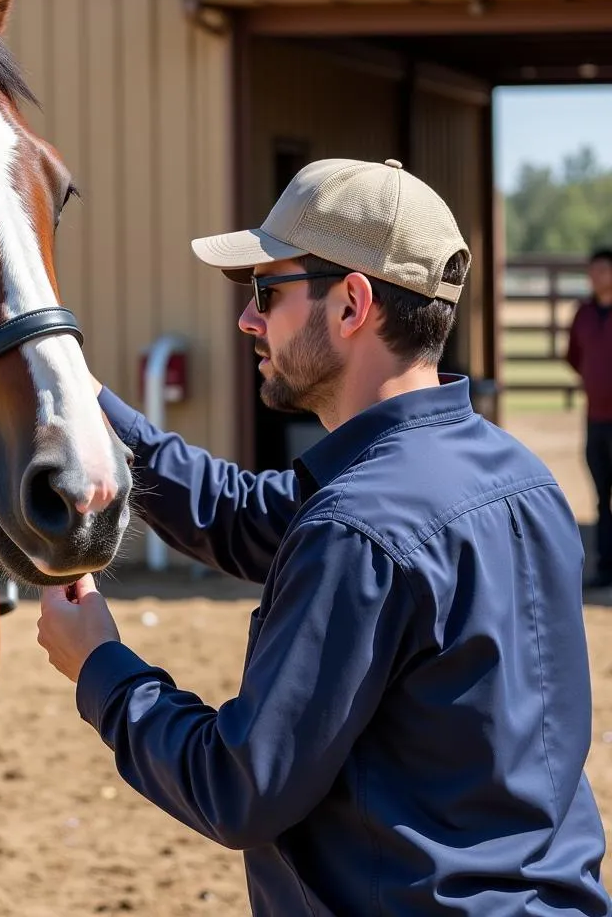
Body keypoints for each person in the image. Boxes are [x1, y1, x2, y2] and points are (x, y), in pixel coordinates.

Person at [36, 158, 610, 916]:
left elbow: (240, 789)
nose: (247, 318)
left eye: (266, 292)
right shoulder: (521, 478)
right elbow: (245, 515)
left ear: (351, 304)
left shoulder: (358, 529)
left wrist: (101, 669)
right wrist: (89, 402)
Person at [568, 247, 612, 588]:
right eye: (592, 270)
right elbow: (575, 356)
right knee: (601, 496)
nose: (596, 277)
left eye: (602, 270)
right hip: (596, 419)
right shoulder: (583, 314)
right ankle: (605, 566)